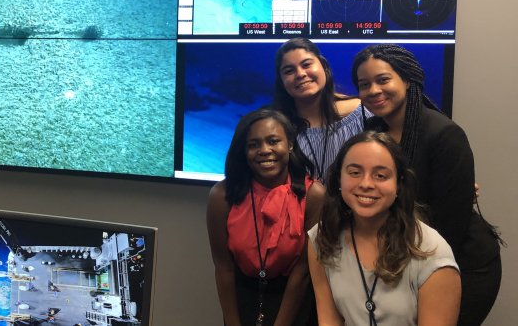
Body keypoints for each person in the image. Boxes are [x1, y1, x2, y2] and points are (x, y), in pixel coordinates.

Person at [351, 44, 502, 326]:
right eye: (364, 84)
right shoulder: (372, 133)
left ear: (407, 80)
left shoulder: (444, 134)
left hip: (460, 263)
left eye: (383, 79)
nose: (373, 90)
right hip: (404, 258)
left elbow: (450, 226)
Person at [308, 131, 461, 325]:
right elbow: (329, 320)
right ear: (339, 179)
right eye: (354, 172)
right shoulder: (322, 238)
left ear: (399, 184)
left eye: (380, 175)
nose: (366, 184)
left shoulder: (432, 252)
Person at [207, 109, 324, 326]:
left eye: (273, 141)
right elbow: (223, 267)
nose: (264, 150)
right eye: (253, 145)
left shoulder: (314, 196)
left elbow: (303, 270)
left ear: (289, 144)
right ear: (244, 151)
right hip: (242, 297)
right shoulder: (222, 197)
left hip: (293, 300)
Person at [274, 38, 366, 182]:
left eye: (306, 64)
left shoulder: (363, 113)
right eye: (289, 71)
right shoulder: (275, 127)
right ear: (281, 81)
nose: (300, 74)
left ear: (323, 66)